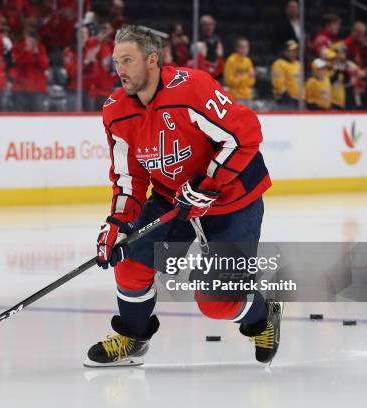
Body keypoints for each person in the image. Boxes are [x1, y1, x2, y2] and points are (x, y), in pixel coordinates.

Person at [86, 25, 279, 368]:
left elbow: (245, 135)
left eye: (128, 60)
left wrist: (208, 184)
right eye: (116, 61)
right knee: (129, 263)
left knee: (215, 303)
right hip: (173, 199)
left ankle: (262, 316)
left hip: (232, 197)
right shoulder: (116, 110)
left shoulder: (191, 88)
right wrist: (118, 223)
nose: (120, 69)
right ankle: (133, 335)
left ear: (152, 60)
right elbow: (130, 177)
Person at [10, 27, 49, 111]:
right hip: (20, 87)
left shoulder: (41, 48)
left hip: (37, 87)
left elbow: (44, 66)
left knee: (37, 115)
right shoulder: (16, 47)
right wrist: (27, 51)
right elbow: (16, 64)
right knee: (19, 116)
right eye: (27, 36)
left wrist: (36, 53)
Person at [271, 40, 301, 109]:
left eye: (295, 50)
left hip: (298, 100)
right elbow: (278, 84)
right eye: (291, 51)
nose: (294, 53)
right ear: (285, 51)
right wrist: (287, 96)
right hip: (285, 100)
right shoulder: (279, 64)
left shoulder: (298, 64)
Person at [224, 37, 255, 102]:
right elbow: (228, 81)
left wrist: (240, 78)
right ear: (236, 48)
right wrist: (245, 77)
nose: (244, 49)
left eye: (246, 47)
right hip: (235, 97)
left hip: (248, 96)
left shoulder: (248, 61)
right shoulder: (231, 61)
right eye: (241, 47)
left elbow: (252, 81)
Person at [196, 15, 224, 79]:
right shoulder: (196, 39)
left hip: (215, 73)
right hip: (202, 73)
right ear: (201, 26)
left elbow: (221, 63)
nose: (209, 27)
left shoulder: (217, 40)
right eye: (206, 24)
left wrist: (220, 56)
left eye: (211, 24)